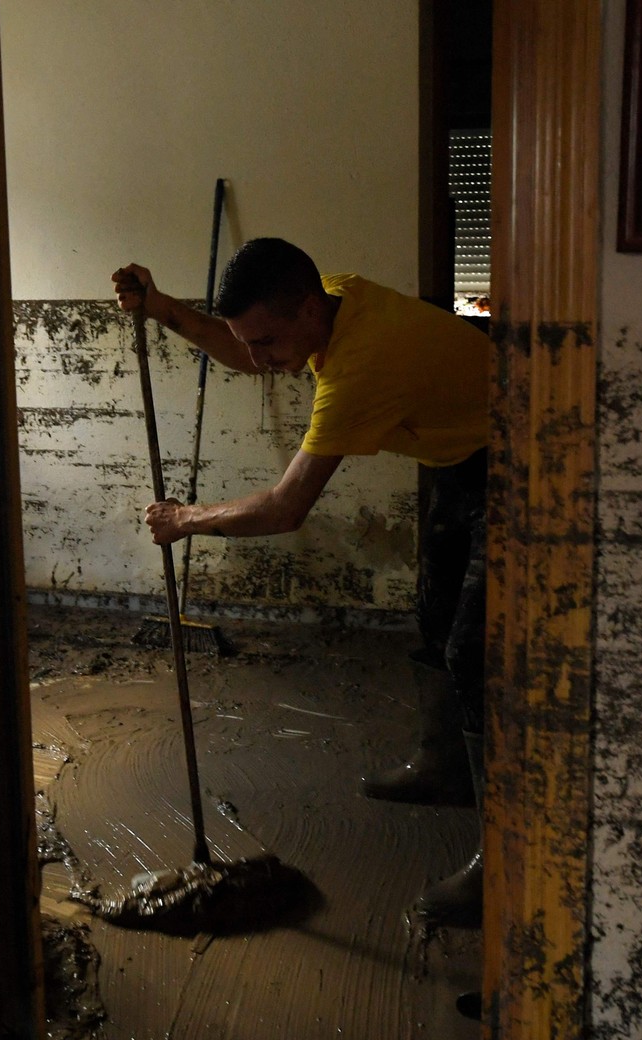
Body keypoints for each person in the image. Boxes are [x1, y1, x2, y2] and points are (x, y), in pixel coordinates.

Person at [112, 238, 488, 928]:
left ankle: (504, 861)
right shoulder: (331, 298)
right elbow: (237, 347)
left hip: (514, 452)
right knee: (434, 616)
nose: (259, 361)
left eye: (269, 343)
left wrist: (186, 517)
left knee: (475, 652)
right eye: (251, 342)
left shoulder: (363, 365)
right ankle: (444, 766)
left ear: (308, 311)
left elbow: (287, 509)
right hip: (458, 451)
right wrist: (161, 308)